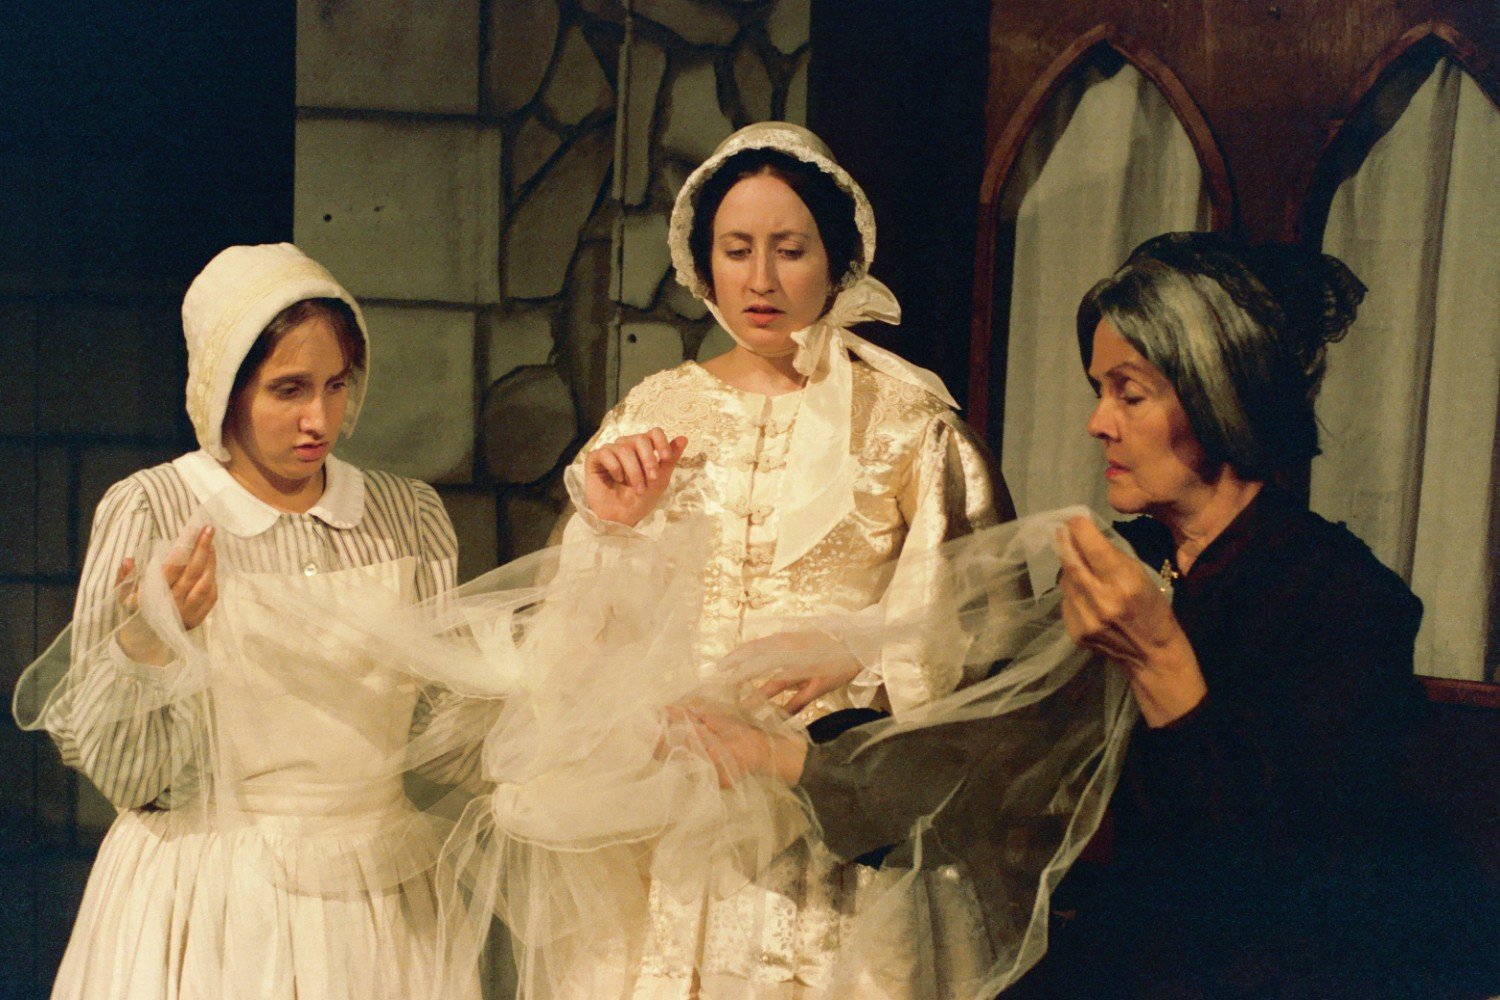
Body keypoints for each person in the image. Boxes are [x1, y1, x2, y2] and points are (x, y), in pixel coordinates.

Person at [716, 232, 1499, 998]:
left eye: (1130, 391)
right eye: (1100, 390)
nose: (1099, 422)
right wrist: (787, 752)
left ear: (1216, 392)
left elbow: (1300, 875)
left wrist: (1164, 664)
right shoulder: (1130, 563)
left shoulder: (1345, 601)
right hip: (1132, 948)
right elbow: (989, 757)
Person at [553, 121, 1011, 997]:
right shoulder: (656, 411)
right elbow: (579, 651)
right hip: (678, 807)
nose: (760, 281)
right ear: (703, 262)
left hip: (838, 814)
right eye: (737, 250)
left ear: (838, 262)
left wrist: (867, 645)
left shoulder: (910, 423)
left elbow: (982, 622)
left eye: (789, 250)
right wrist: (611, 531)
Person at [14, 244, 480, 999]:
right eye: (288, 389)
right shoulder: (156, 510)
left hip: (378, 903)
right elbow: (126, 776)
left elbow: (445, 733)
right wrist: (149, 645)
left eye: (335, 386)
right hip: (210, 907)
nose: (318, 418)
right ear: (226, 388)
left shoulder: (407, 516)